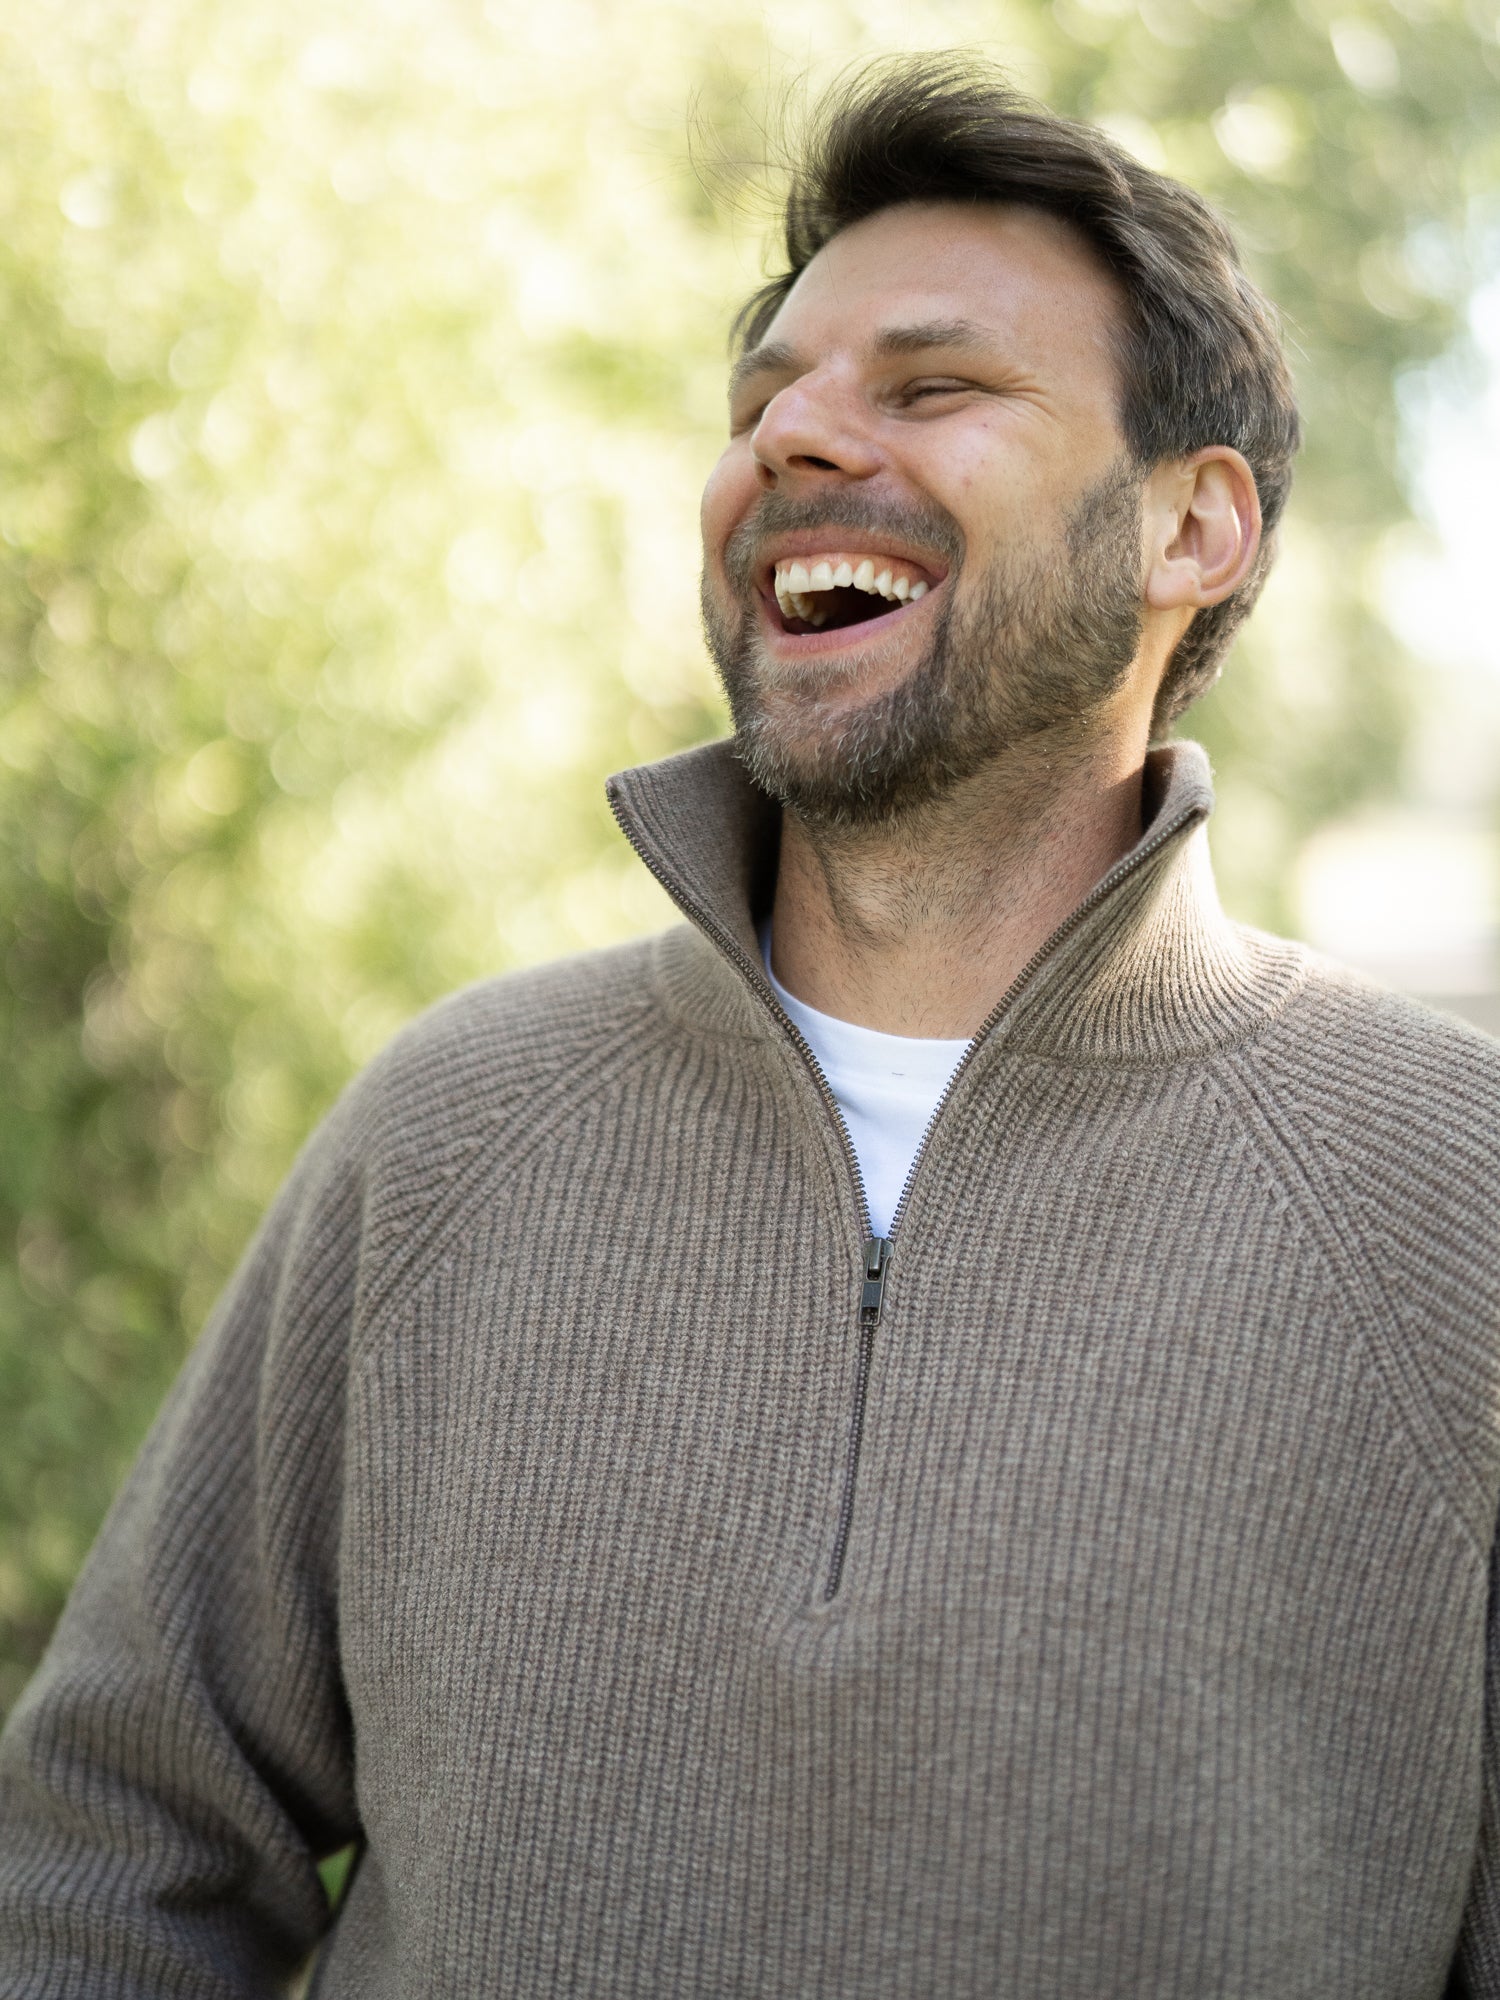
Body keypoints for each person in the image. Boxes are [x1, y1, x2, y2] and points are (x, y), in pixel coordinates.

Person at [2, 50, 1497, 2000]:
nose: (792, 439)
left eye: (934, 387)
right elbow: (104, 1856)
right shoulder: (448, 1133)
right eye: (762, 400)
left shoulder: (1453, 1203)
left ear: (1191, 529)